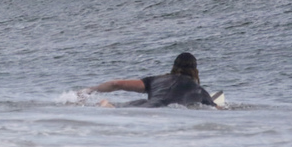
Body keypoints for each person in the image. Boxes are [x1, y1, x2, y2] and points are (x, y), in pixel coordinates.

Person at [85, 52, 217, 108]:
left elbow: (116, 84)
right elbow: (217, 110)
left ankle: (104, 103)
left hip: (143, 105)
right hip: (163, 112)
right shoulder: (200, 92)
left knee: (112, 105)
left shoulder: (156, 80)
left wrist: (91, 90)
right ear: (195, 70)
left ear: (174, 67)